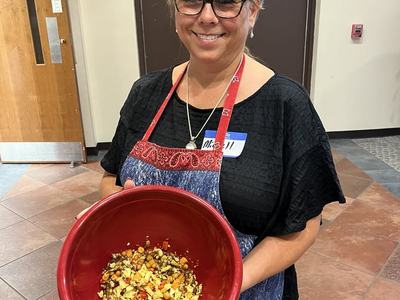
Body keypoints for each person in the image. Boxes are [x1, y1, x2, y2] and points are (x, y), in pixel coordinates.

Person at [87, 0, 345, 299]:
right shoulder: (146, 92)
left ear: (253, 11)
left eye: (226, 3)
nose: (207, 17)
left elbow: (304, 226)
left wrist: (229, 284)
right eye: (192, 2)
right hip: (154, 285)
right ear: (176, 11)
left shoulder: (286, 104)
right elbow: (111, 178)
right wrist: (119, 206)